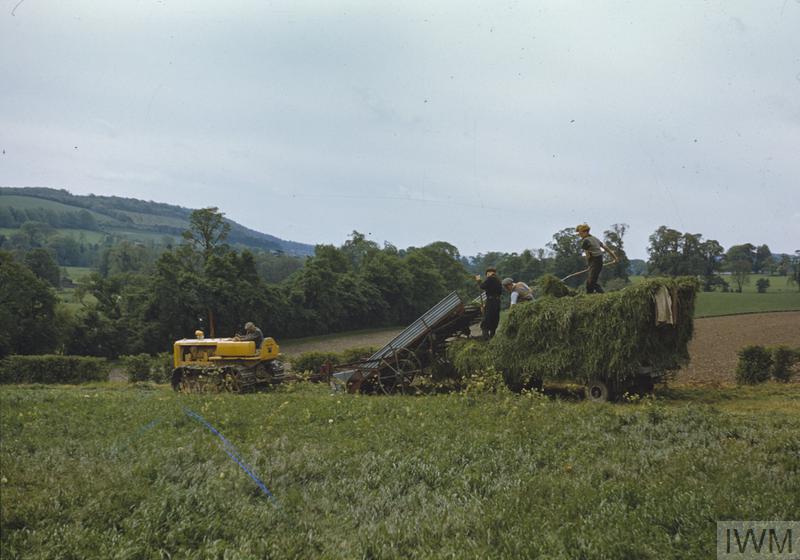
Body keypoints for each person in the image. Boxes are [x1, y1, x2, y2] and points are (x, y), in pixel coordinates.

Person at [576, 224, 618, 294]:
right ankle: (594, 296)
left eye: (580, 232)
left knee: (591, 282)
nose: (579, 234)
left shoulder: (586, 241)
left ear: (585, 232)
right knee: (591, 282)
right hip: (599, 261)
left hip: (595, 261)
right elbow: (606, 248)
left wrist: (589, 265)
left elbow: (588, 256)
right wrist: (615, 257)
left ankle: (597, 296)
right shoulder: (595, 238)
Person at [475, 266, 502, 339]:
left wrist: (478, 280)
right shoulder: (498, 280)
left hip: (491, 302)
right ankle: (492, 337)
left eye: (487, 274)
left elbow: (482, 286)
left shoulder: (490, 278)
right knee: (494, 319)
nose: (487, 276)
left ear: (489, 273)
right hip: (497, 302)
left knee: (486, 321)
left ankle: (486, 339)